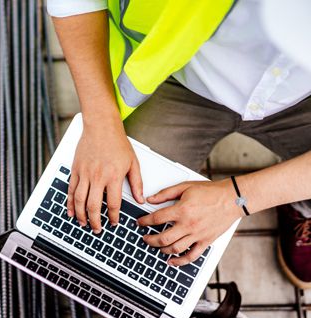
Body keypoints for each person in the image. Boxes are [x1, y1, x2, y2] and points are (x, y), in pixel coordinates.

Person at [47, 0, 311, 289]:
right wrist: (100, 125)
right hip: (182, 74)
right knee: (122, 213)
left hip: (301, 101)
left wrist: (237, 199)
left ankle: (299, 203)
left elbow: (236, 199)